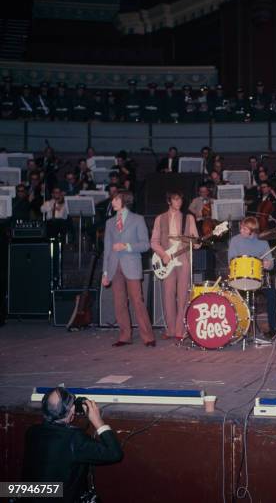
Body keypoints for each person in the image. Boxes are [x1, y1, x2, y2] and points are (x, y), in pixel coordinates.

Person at [22, 386, 122, 502]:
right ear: (72, 410)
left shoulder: (32, 432)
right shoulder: (74, 439)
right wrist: (97, 421)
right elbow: (115, 454)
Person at [101, 190, 155, 347]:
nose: (113, 202)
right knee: (119, 303)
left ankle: (148, 337)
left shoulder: (138, 220)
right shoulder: (109, 223)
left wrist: (127, 246)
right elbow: (107, 249)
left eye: (116, 199)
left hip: (131, 265)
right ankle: (125, 336)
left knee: (137, 301)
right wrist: (105, 273)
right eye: (113, 199)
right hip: (114, 266)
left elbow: (145, 245)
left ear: (125, 200)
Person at [151, 192, 199, 340]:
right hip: (166, 259)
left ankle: (180, 330)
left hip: (183, 258)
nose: (178, 202)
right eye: (175, 200)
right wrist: (163, 255)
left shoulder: (189, 218)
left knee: (183, 294)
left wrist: (197, 242)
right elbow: (153, 241)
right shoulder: (160, 218)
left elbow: (196, 242)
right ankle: (170, 329)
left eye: (180, 199)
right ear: (169, 201)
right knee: (168, 295)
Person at [228, 217, 276, 338]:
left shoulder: (263, 241)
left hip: (258, 278)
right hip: (240, 278)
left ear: (253, 230)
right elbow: (231, 261)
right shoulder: (235, 240)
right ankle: (239, 329)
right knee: (235, 298)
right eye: (241, 227)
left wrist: (268, 264)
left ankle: (273, 329)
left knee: (273, 295)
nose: (241, 230)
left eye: (244, 229)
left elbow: (271, 264)